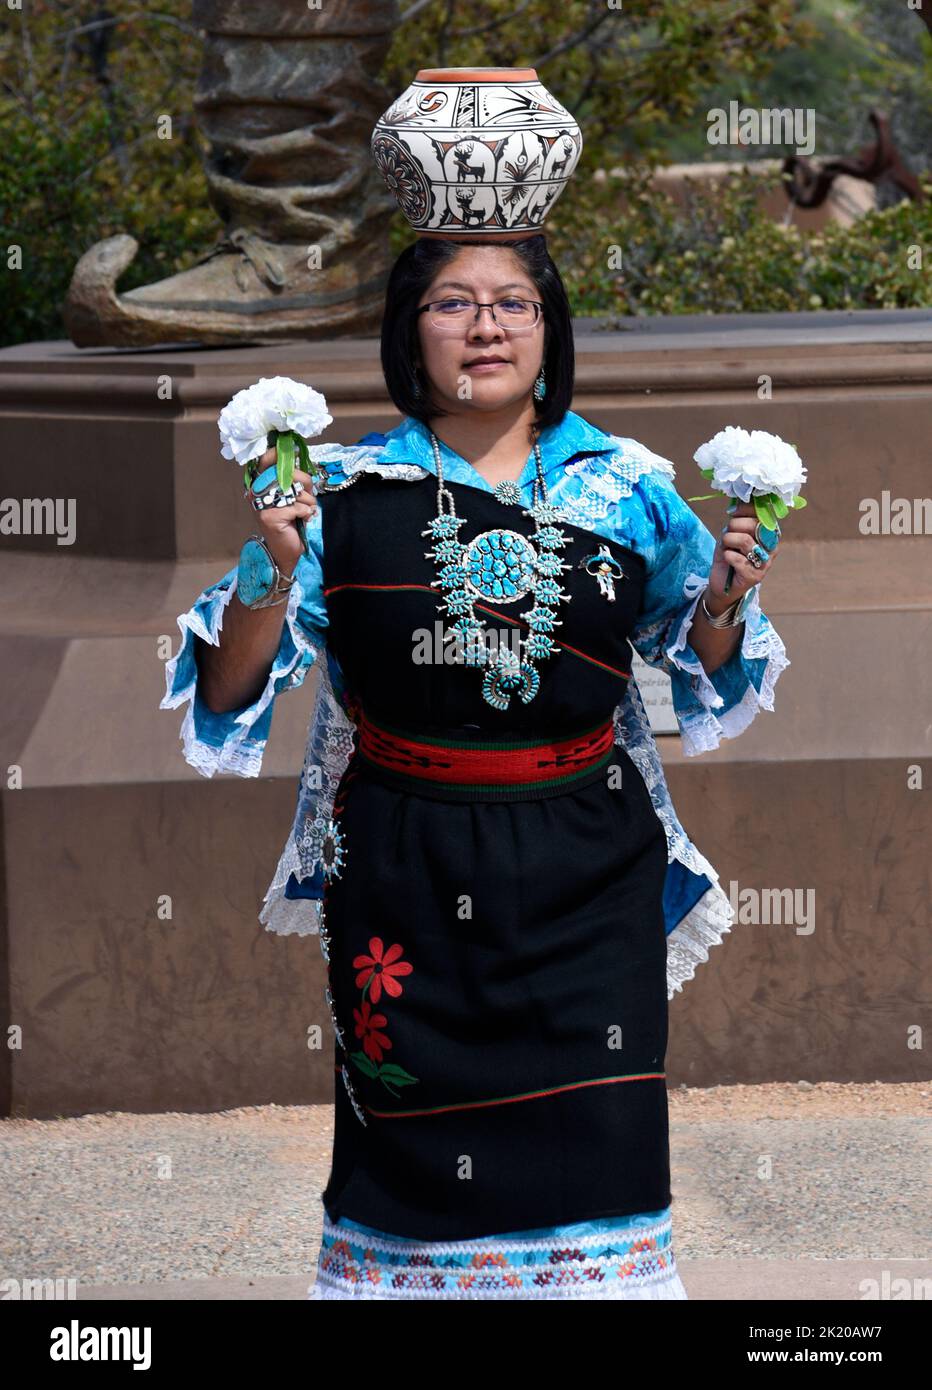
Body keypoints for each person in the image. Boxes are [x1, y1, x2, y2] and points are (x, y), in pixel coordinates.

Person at [160, 72, 789, 1301]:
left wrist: (722, 594)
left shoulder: (627, 490)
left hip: (586, 873)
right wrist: (267, 567)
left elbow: (700, 674)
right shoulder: (337, 496)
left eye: (511, 302)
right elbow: (234, 693)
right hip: (403, 871)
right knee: (410, 1171)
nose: (485, 326)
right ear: (410, 331)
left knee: (594, 1162)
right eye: (453, 302)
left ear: (548, 330)